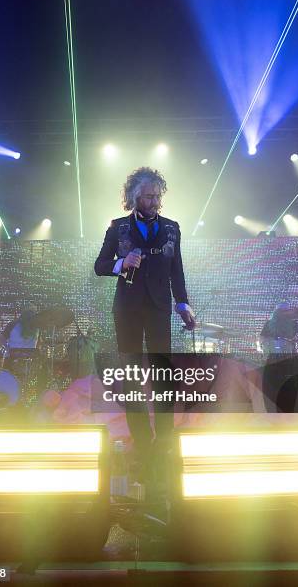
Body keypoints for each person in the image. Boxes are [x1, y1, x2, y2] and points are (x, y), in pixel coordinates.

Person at [94, 167, 195, 471]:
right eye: (148, 195)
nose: (153, 200)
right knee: (131, 375)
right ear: (133, 196)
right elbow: (99, 266)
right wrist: (121, 263)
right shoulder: (118, 228)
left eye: (157, 195)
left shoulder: (172, 228)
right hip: (126, 308)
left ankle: (164, 440)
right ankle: (141, 441)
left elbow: (176, 270)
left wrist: (183, 304)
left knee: (163, 373)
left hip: (159, 307)